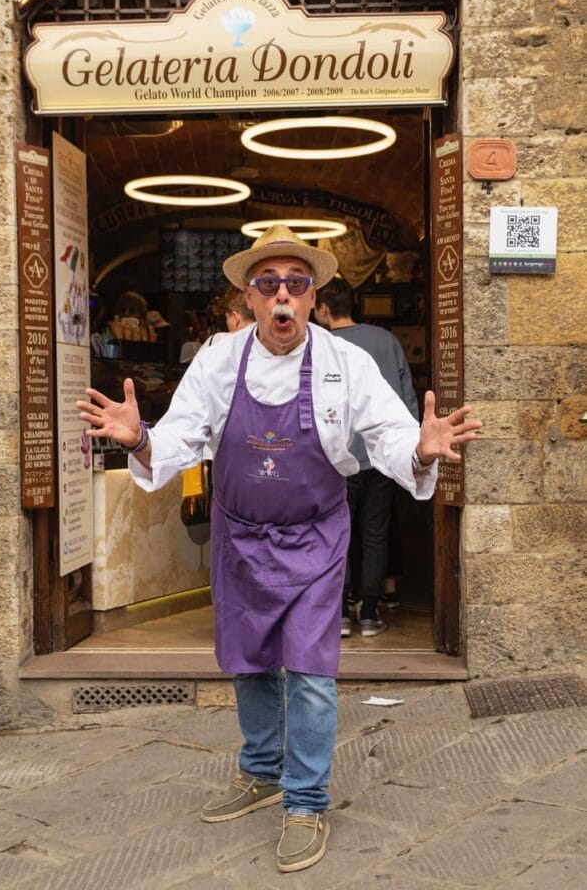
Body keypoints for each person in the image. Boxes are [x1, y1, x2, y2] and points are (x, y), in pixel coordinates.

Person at [76, 223, 481, 874]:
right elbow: (179, 436)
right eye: (270, 285)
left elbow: (386, 432)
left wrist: (420, 448)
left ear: (315, 295)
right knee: (251, 660)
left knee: (312, 674)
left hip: (317, 535)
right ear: (250, 294)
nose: (284, 297)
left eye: (297, 283)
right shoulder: (216, 358)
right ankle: (262, 768)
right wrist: (139, 439)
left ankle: (305, 800)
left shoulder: (347, 364)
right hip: (239, 535)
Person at [314, 276, 419, 637]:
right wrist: (409, 449)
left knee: (335, 533)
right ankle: (371, 613)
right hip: (381, 457)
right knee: (376, 533)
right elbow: (407, 402)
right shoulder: (387, 341)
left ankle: (341, 612)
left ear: (323, 308)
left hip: (335, 459)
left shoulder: (320, 345)